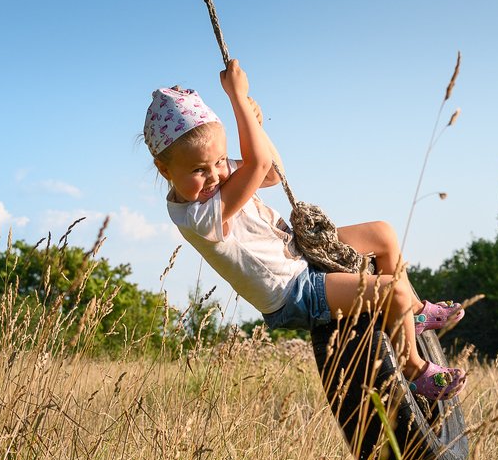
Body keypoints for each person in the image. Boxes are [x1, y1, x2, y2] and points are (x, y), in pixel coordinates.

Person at [143, 59, 466, 398]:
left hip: (298, 254)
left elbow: (272, 173)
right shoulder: (197, 217)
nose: (215, 175)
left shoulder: (213, 181)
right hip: (293, 292)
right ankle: (414, 369)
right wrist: (238, 98)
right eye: (199, 169)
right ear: (165, 170)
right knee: (392, 290)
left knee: (382, 233)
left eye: (221, 161)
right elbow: (259, 164)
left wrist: (256, 127)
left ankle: (413, 313)